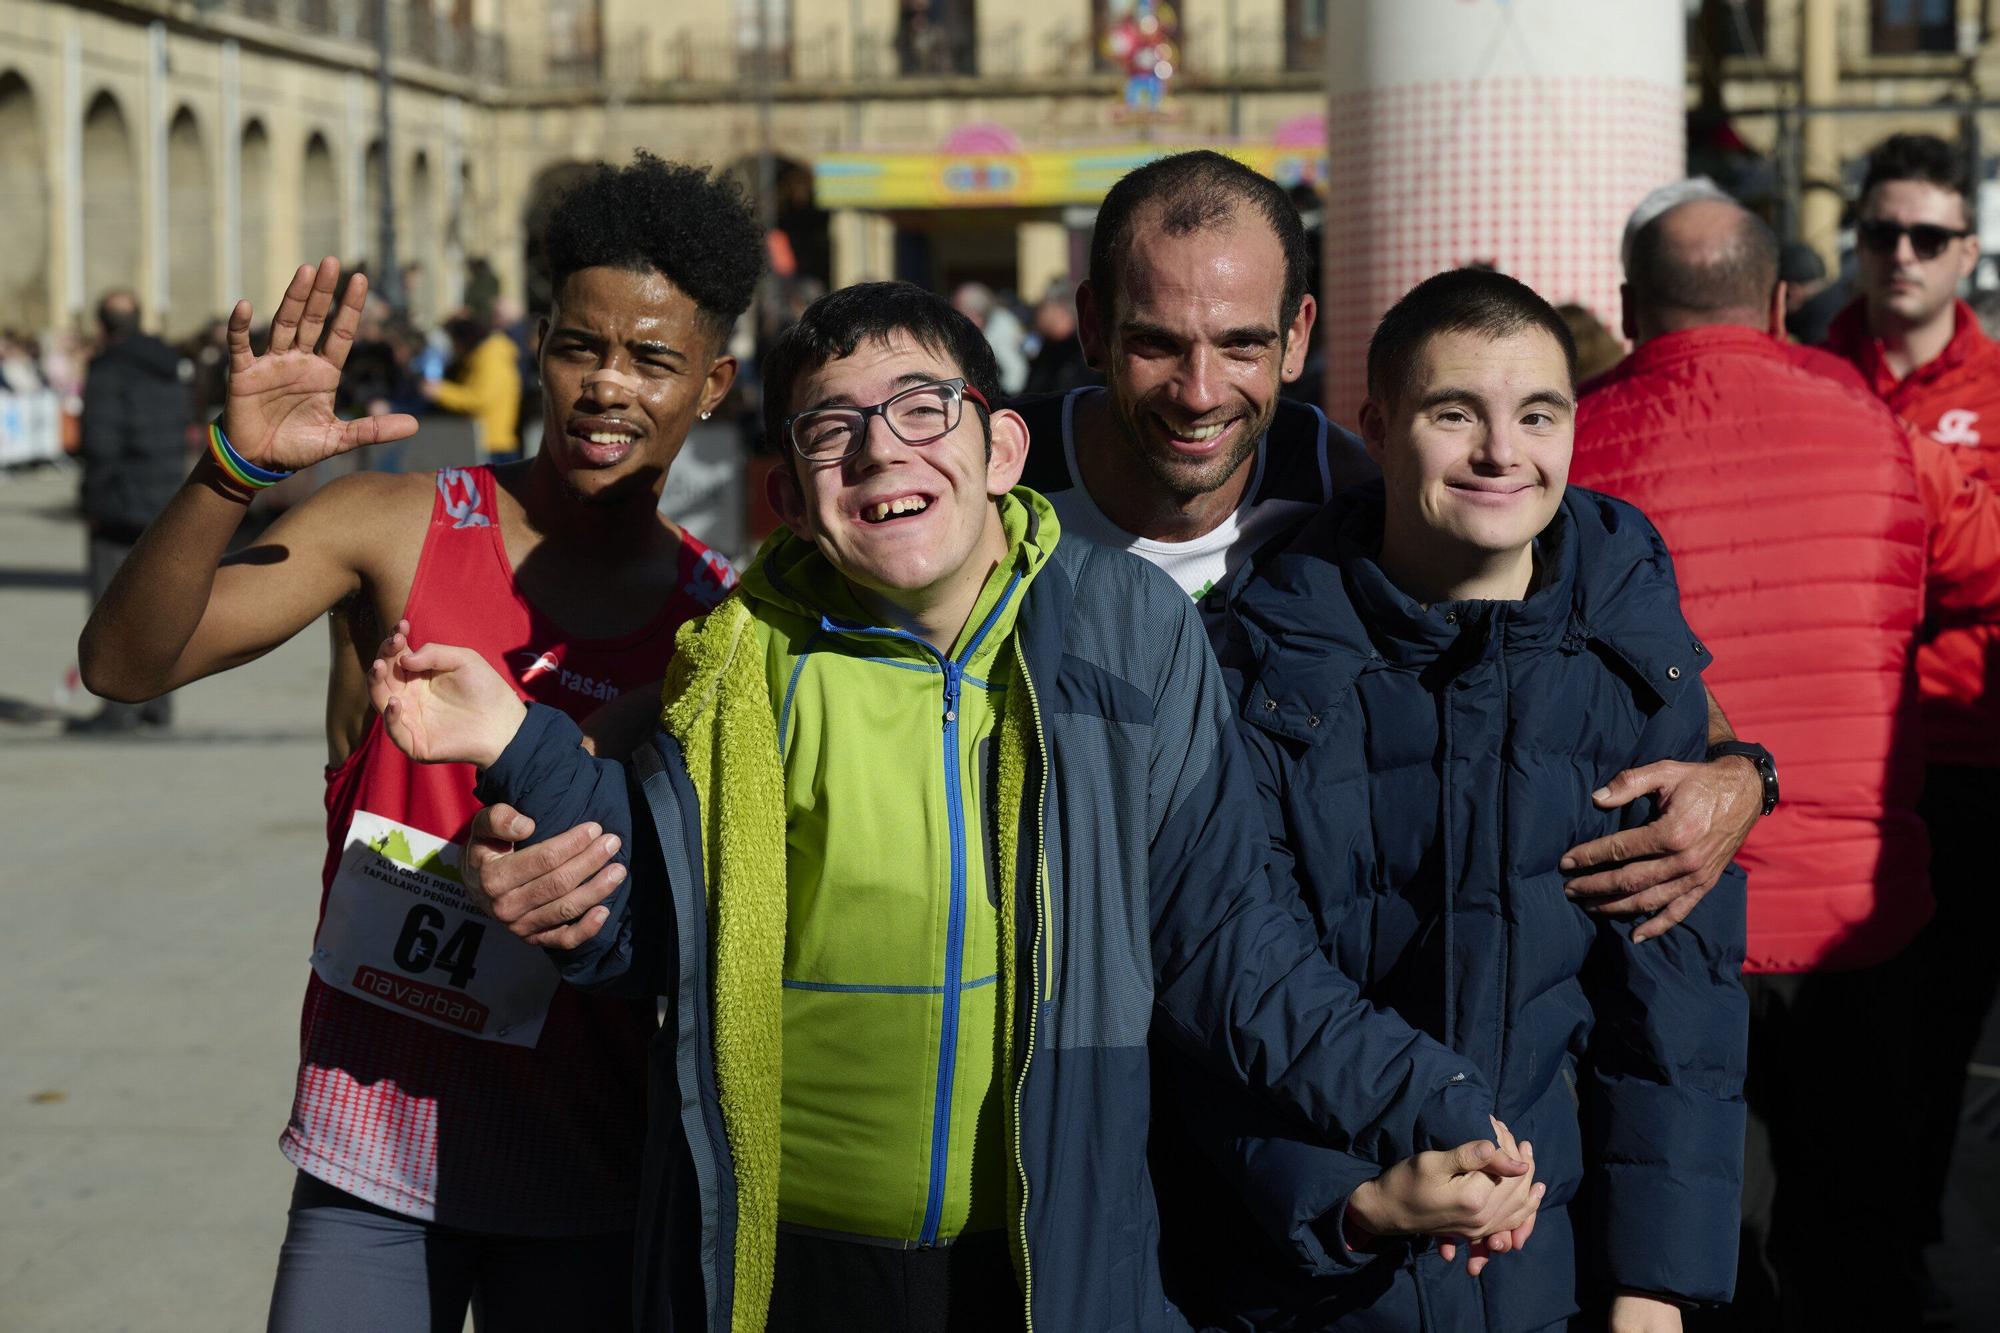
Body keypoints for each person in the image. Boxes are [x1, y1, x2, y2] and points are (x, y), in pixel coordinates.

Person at [365, 281, 1546, 1333]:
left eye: (922, 409)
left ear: (999, 449)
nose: (881, 455)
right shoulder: (732, 663)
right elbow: (652, 936)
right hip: (782, 1270)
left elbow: (1230, 946)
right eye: (833, 430)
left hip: (1047, 1262)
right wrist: (516, 747)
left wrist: (1426, 1099)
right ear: (788, 492)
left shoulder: (1125, 629)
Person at [74, 153, 763, 1332]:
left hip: (590, 1176)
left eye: (651, 359)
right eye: (578, 347)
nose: (606, 386)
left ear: (710, 385)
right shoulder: (394, 526)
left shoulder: (719, 629)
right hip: (369, 1160)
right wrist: (229, 472)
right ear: (539, 347)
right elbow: (125, 666)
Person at [1178, 268, 1747, 1331]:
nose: (1501, 452)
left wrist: (1652, 1284)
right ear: (1376, 426)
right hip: (1311, 1275)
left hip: (1550, 1262)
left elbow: (1674, 1003)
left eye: (1536, 414)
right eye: (1455, 414)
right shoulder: (1258, 658)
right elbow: (1227, 985)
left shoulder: (1629, 649)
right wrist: (1343, 1202)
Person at [1015, 148, 1762, 940]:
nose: (1200, 391)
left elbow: (1576, 581)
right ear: (1093, 327)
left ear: (1297, 336)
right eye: (1157, 344)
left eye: (1242, 346)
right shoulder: (991, 481)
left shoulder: (1341, 481)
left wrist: (1740, 768)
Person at [1572, 192, 2000, 1330]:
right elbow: (1984, 559)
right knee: (1855, 1253)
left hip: (1655, 920)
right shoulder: (1874, 426)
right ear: (1777, 302)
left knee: (1682, 1259)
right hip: (1859, 926)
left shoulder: (1573, 445)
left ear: (1626, 309)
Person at [1822, 132, 2000, 1302]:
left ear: (1965, 251)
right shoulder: (1812, 370)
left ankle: (1914, 1263)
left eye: (1924, 236)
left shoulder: (1992, 390)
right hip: (1831, 764)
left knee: (1937, 1040)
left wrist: (1894, 486)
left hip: (1963, 763)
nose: (1899, 254)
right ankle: (1853, 1265)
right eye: (1880, 231)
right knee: (1831, 1055)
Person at [70, 289, 193, 734]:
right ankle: (158, 701)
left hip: (120, 502)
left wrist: (91, 503)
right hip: (165, 498)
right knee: (159, 602)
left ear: (102, 326)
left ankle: (116, 705)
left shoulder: (108, 369)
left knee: (111, 603)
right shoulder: (167, 366)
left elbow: (100, 444)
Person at [424, 311, 523, 455]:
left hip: (492, 445)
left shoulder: (491, 358)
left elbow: (480, 400)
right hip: (483, 442)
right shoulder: (479, 358)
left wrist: (440, 391)